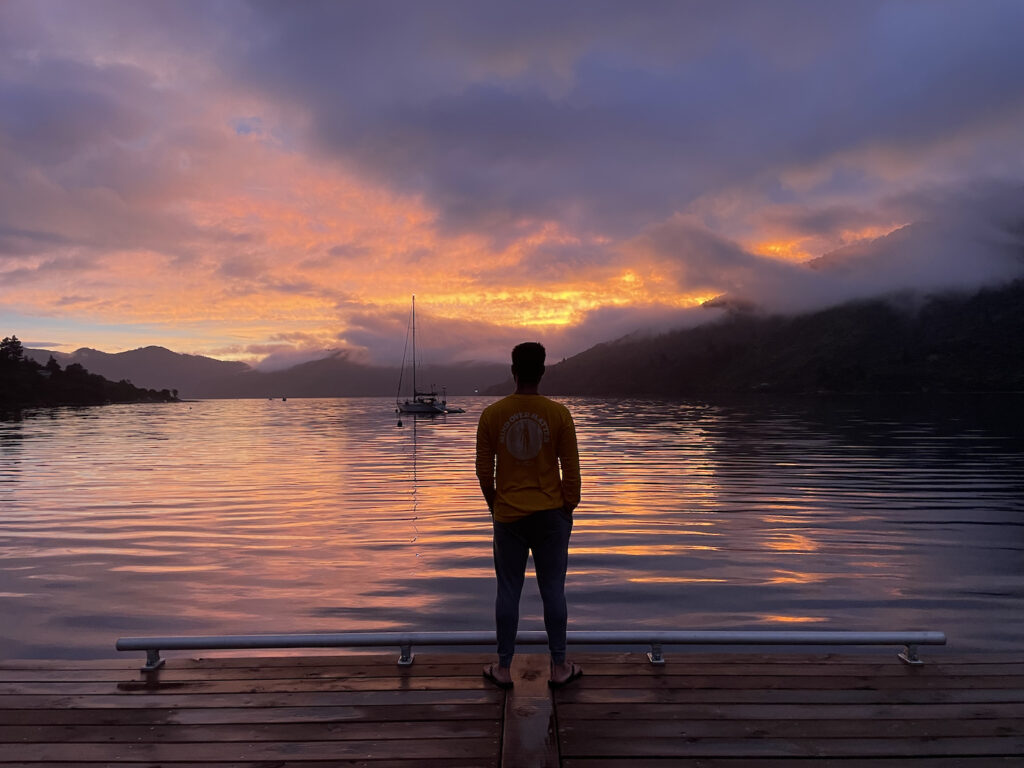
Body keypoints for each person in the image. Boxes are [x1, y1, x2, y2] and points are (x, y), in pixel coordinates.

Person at [475, 341, 582, 689]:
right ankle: (560, 667)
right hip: (551, 514)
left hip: (509, 517)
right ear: (543, 371)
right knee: (554, 590)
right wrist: (568, 507)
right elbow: (572, 471)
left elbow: (482, 470)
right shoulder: (559, 414)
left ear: (513, 371)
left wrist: (497, 505)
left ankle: (504, 669)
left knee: (508, 591)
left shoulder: (492, 415)